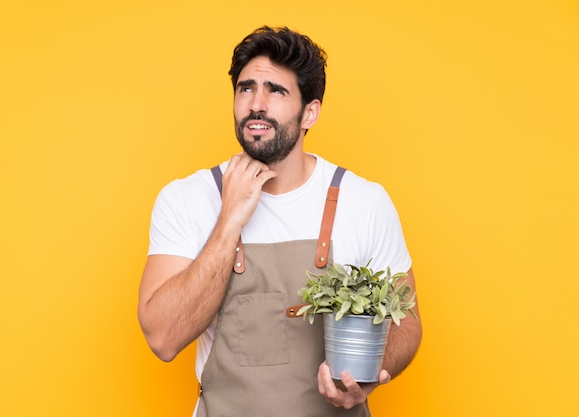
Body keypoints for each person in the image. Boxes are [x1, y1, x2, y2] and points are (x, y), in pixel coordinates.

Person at [138, 26, 422, 417]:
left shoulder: (365, 201)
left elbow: (406, 324)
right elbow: (163, 337)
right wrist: (229, 221)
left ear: (310, 112)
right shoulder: (186, 198)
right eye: (246, 88)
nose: (256, 104)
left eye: (275, 90)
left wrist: (368, 375)